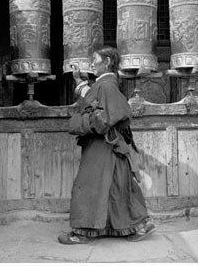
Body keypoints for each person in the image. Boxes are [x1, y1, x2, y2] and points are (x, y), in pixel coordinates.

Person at [58, 46, 155, 244]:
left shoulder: (107, 86)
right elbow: (96, 103)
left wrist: (79, 123)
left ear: (108, 61)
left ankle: (83, 232)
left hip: (103, 147)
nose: (93, 63)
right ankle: (138, 226)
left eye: (96, 60)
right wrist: (80, 83)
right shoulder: (104, 85)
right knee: (115, 188)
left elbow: (105, 118)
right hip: (106, 147)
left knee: (88, 185)